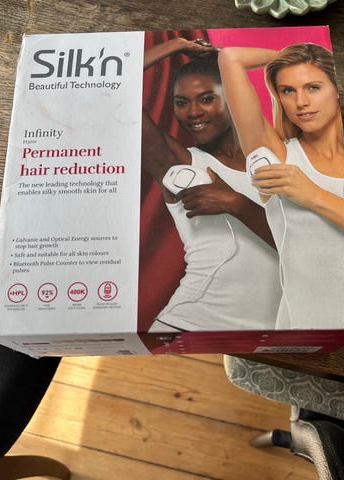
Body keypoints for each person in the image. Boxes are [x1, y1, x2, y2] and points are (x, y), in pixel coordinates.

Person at [218, 42, 344, 329]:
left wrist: (312, 194)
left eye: (313, 87)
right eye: (288, 90)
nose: (301, 102)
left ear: (338, 88)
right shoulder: (278, 156)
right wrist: (288, 58)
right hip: (303, 327)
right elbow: (231, 57)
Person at [142, 37, 282, 332]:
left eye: (207, 98)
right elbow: (110, 88)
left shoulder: (280, 156)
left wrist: (236, 202)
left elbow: (307, 246)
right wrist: (176, 45)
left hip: (272, 332)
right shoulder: (179, 163)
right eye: (181, 102)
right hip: (186, 326)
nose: (193, 112)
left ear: (233, 96)